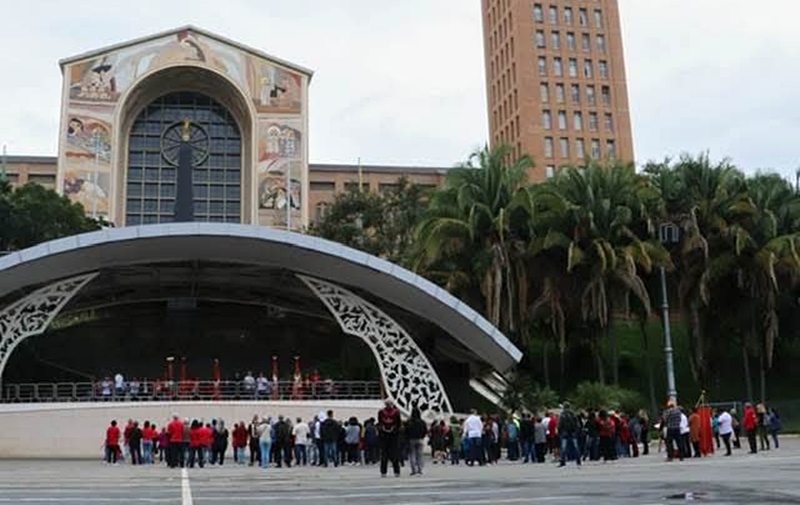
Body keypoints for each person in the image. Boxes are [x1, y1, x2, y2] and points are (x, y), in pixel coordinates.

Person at [378, 399, 402, 477]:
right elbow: (399, 424)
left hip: (384, 435)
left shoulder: (381, 412)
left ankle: (383, 472)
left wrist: (383, 429)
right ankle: (396, 471)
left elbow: (380, 423)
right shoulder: (396, 412)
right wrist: (394, 429)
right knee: (394, 454)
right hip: (393, 435)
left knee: (384, 454)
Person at [558, 402, 581, 466]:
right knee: (576, 447)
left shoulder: (563, 414)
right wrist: (576, 431)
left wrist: (560, 432)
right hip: (573, 432)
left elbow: (560, 424)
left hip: (565, 432)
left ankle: (563, 461)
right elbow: (577, 424)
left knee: (563, 447)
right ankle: (578, 460)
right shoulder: (573, 414)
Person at [406, 407, 427, 476]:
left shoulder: (409, 422)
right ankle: (420, 469)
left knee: (412, 455)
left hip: (411, 439)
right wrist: (422, 436)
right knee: (420, 455)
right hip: (420, 439)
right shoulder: (422, 422)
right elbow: (425, 430)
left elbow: (406, 431)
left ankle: (413, 470)